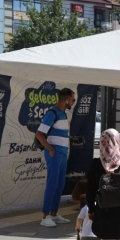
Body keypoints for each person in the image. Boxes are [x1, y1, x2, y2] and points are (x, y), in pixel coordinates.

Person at [36, 88, 76, 228]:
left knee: (60, 184)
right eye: (72, 100)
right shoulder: (52, 113)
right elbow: (39, 134)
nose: (73, 102)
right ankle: (45, 216)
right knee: (52, 183)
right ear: (66, 100)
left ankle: (54, 213)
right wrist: (51, 148)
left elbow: (60, 134)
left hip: (63, 153)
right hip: (55, 153)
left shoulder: (63, 114)